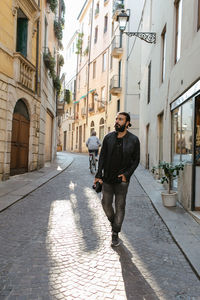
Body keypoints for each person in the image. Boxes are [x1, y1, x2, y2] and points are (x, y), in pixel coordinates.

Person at [94, 112, 140, 247]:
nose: (117, 121)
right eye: (116, 119)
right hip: (107, 179)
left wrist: (127, 174)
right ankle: (114, 223)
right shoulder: (108, 138)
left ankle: (115, 233)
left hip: (122, 181)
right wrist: (98, 175)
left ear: (127, 123)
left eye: (120, 119)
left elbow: (136, 160)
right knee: (106, 204)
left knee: (120, 206)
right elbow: (102, 157)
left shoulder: (134, 140)